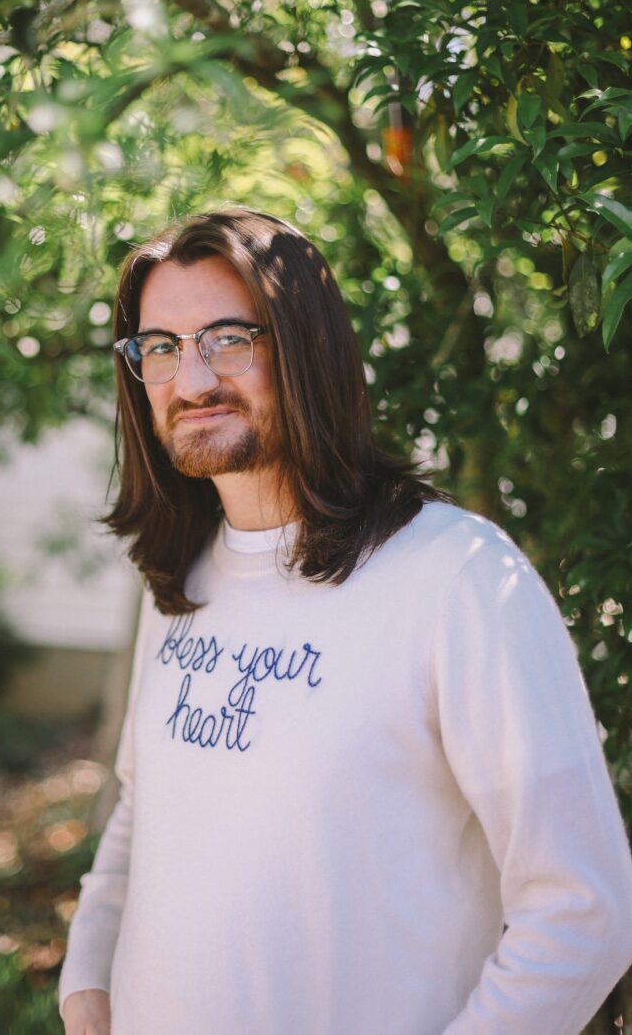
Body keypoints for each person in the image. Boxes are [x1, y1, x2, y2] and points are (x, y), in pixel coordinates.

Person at [59, 207, 632, 1035]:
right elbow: (145, 815)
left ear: (307, 350)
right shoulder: (177, 577)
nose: (191, 381)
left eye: (228, 337)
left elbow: (586, 908)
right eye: (161, 348)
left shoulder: (456, 577)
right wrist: (86, 985)